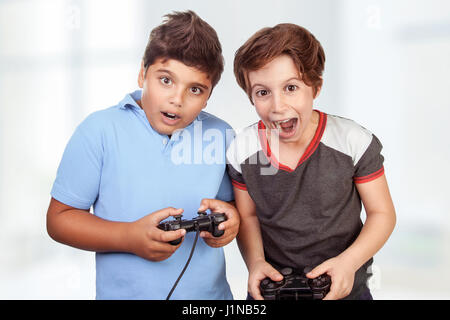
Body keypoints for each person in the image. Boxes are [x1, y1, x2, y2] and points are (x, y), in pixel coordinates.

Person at [47, 10, 239, 300]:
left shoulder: (222, 135)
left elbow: (233, 207)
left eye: (195, 89)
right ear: (142, 73)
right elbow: (59, 219)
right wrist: (130, 238)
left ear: (209, 95)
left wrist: (231, 221)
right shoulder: (98, 131)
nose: (177, 98)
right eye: (166, 80)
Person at [227, 23, 396, 300]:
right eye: (262, 92)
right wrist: (255, 262)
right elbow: (247, 215)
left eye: (291, 87)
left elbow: (382, 213)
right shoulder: (242, 150)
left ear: (315, 87)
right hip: (272, 291)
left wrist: (349, 263)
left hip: (346, 289)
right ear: (250, 97)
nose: (278, 105)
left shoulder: (353, 140)